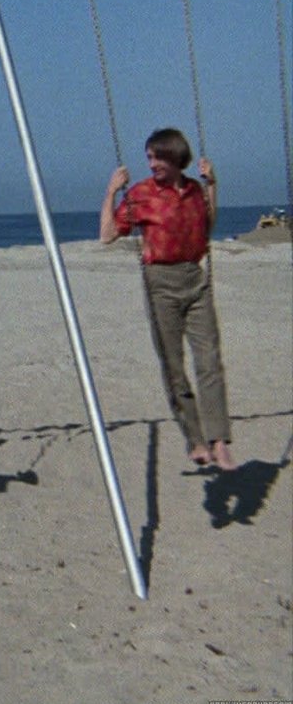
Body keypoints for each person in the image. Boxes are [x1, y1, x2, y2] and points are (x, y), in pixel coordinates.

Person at [99, 128, 237, 471]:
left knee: (209, 361)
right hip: (160, 282)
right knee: (174, 366)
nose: (152, 164)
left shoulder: (193, 191)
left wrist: (213, 186)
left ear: (176, 158)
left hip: (195, 277)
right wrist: (111, 192)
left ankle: (219, 440)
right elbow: (106, 236)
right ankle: (195, 439)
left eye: (158, 157)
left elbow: (207, 226)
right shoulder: (141, 194)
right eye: (148, 157)